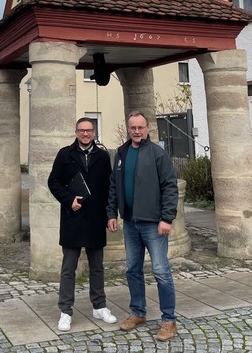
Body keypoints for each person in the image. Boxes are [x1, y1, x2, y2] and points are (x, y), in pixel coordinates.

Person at [107, 110, 178, 342]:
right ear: (128, 129)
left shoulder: (157, 154)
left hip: (153, 224)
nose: (136, 131)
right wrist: (111, 213)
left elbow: (170, 186)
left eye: (140, 127)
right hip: (130, 223)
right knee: (132, 269)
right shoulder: (121, 153)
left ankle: (168, 320)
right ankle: (138, 312)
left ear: (147, 129)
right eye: (133, 128)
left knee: (160, 271)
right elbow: (113, 187)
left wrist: (167, 218)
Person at [48, 117, 117, 332]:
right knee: (69, 267)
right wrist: (69, 200)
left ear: (94, 132)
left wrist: (110, 214)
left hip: (96, 218)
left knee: (97, 267)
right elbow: (53, 182)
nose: (85, 134)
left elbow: (109, 187)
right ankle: (65, 311)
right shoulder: (64, 154)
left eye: (89, 131)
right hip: (73, 218)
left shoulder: (103, 156)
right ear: (76, 132)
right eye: (81, 130)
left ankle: (99, 306)